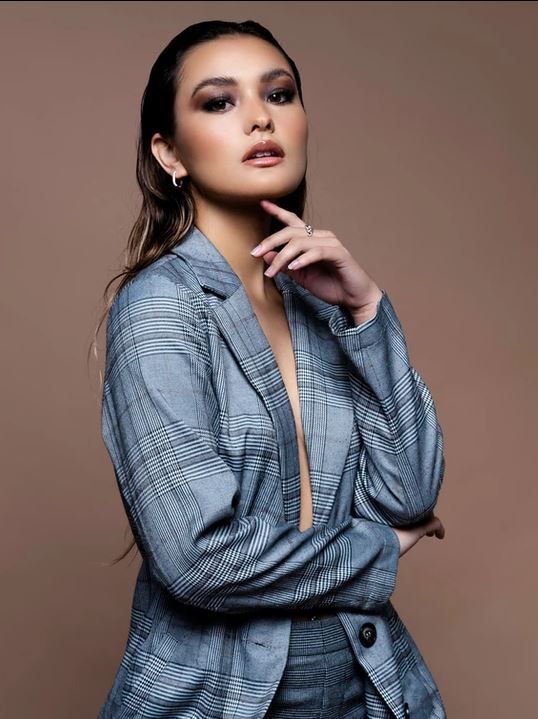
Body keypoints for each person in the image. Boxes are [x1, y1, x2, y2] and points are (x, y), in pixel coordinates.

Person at [92, 19, 447, 719]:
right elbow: (198, 558)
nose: (260, 118)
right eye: (219, 102)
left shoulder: (318, 303)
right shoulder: (160, 306)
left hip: (365, 682)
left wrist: (366, 312)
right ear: (169, 153)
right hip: (222, 695)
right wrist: (375, 550)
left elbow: (408, 494)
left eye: (279, 94)